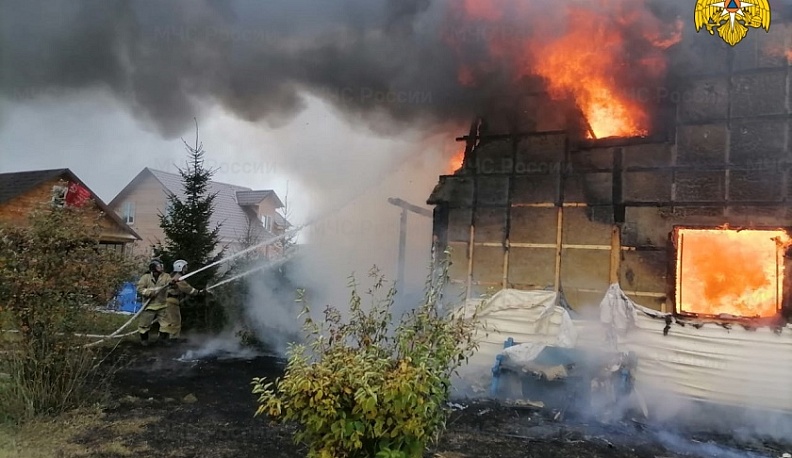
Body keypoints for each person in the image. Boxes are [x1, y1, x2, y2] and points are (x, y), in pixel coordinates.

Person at [164, 259, 204, 343]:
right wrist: (198, 292)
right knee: (175, 322)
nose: (186, 269)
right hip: (171, 301)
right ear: (180, 267)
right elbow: (187, 288)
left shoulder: (172, 276)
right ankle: (173, 340)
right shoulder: (178, 277)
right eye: (185, 267)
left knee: (168, 321)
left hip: (168, 300)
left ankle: (164, 340)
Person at [136, 258, 172, 346]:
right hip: (149, 306)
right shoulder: (146, 278)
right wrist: (149, 293)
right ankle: (144, 341)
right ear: (154, 267)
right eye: (159, 266)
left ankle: (162, 340)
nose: (162, 267)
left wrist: (173, 283)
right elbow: (140, 289)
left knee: (166, 324)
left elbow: (170, 283)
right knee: (144, 325)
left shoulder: (166, 276)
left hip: (162, 305)